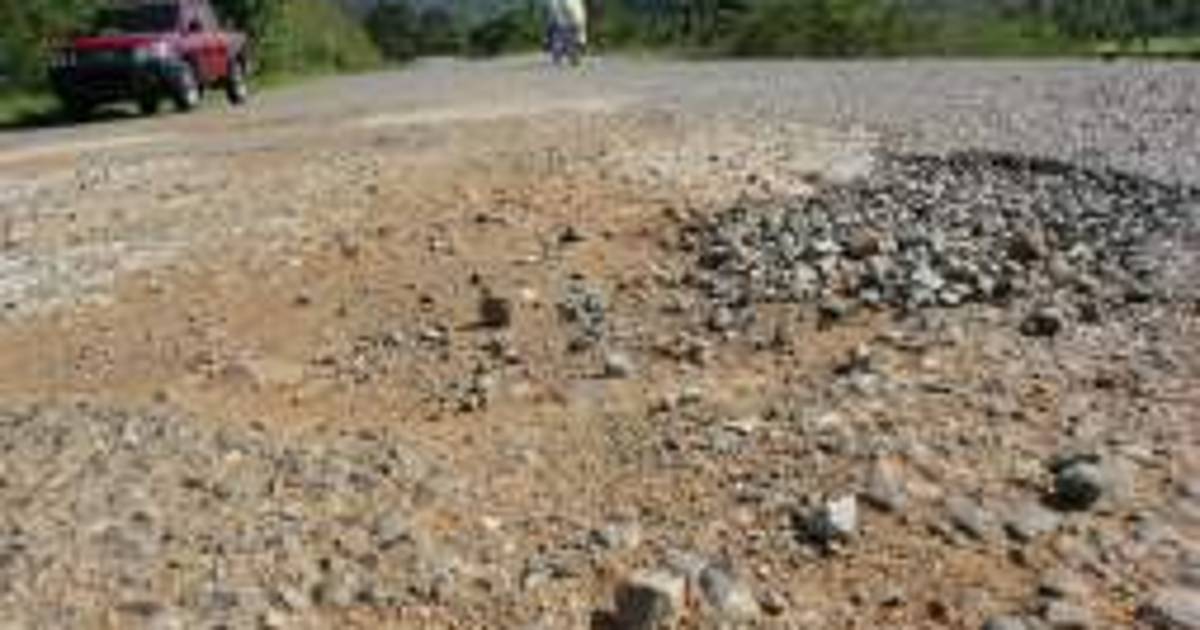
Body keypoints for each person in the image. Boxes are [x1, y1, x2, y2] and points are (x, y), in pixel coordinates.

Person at [546, 0, 587, 65]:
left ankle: (569, 55)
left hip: (568, 23)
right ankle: (568, 55)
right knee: (564, 41)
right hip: (567, 23)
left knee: (565, 41)